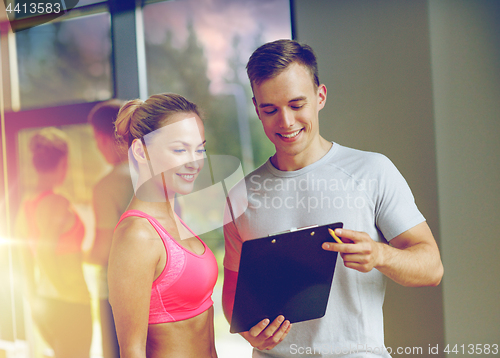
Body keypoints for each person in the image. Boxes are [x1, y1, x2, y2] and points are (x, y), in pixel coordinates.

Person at [222, 39, 444, 357]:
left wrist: (380, 255)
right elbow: (232, 296)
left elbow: (432, 267)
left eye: (297, 105)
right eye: (270, 109)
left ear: (320, 96)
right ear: (257, 110)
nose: (285, 121)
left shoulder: (372, 170)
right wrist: (249, 334)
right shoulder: (240, 196)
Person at [107, 93, 219, 358]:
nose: (194, 161)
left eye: (200, 149)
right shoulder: (137, 235)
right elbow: (132, 350)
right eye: (180, 149)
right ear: (140, 151)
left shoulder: (174, 220)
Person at [16, 127, 92, 358]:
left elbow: (25, 256)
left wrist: (32, 297)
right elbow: (43, 251)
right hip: (70, 302)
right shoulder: (57, 203)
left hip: (46, 301)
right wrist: (65, 289)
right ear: (64, 163)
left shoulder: (26, 206)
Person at [86, 99, 134, 358]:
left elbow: (103, 250)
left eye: (96, 139)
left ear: (106, 138)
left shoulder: (105, 186)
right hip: (158, 292)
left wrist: (80, 254)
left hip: (117, 297)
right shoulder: (159, 177)